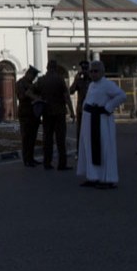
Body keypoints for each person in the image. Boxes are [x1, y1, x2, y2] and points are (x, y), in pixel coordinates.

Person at [76, 60, 127, 189]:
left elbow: (121, 96)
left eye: (96, 71)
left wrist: (108, 107)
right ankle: (93, 177)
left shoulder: (107, 84)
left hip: (101, 120)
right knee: (88, 148)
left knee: (104, 148)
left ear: (102, 72)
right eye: (91, 71)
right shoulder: (92, 85)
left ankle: (107, 179)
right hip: (89, 119)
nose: (93, 73)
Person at [33, 60, 75, 170]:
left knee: (47, 139)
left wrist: (38, 100)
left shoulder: (41, 80)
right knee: (60, 139)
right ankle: (62, 164)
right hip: (59, 112)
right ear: (55, 68)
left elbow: (31, 91)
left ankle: (47, 162)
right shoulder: (60, 79)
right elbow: (66, 97)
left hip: (46, 112)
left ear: (47, 67)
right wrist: (72, 112)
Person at [15, 65, 41, 167]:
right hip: (25, 113)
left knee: (33, 137)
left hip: (33, 113)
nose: (34, 78)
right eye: (33, 75)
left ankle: (31, 157)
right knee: (26, 137)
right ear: (28, 74)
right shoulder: (20, 83)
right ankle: (26, 159)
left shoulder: (32, 84)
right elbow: (21, 96)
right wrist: (30, 95)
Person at [69, 60, 90, 146]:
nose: (84, 71)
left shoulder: (92, 80)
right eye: (83, 69)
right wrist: (76, 79)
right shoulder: (79, 81)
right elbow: (71, 91)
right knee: (80, 131)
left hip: (91, 108)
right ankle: (79, 150)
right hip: (81, 109)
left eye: (86, 69)